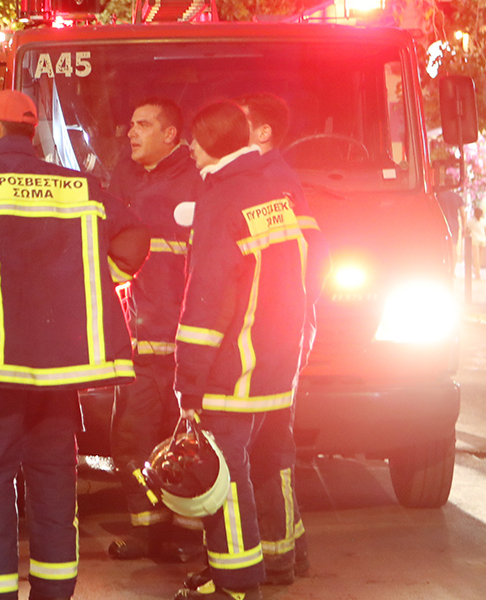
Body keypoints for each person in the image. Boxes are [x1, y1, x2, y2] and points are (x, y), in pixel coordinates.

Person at [0, 90, 150, 600]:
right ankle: (54, 591)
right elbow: (133, 242)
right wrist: (81, 283)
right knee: (54, 481)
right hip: (61, 370)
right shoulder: (80, 185)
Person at [173, 101, 325, 600]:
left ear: (210, 143)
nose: (189, 149)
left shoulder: (221, 198)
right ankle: (283, 555)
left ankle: (237, 582)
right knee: (274, 458)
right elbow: (314, 258)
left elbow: (208, 300)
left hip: (232, 370)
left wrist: (188, 382)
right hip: (279, 364)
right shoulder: (279, 185)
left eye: (193, 140)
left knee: (225, 475)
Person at [232, 93, 328, 586]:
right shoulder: (271, 178)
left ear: (263, 132)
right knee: (271, 445)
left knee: (266, 448)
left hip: (265, 339)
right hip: (274, 335)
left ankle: (277, 555)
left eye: (241, 121)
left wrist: (286, 323)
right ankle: (289, 551)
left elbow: (305, 261)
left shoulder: (269, 182)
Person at [106, 97, 200, 563]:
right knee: (132, 440)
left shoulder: (197, 181)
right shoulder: (124, 178)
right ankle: (147, 531)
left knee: (186, 448)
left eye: (144, 124)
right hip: (139, 347)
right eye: (130, 124)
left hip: (186, 351)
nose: (131, 132)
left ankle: (189, 534)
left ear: (170, 134)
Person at [466, 206, 486, 279]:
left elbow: (467, 230)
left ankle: (477, 272)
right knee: (480, 257)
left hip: (474, 240)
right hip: (482, 240)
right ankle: (477, 270)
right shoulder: (483, 221)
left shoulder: (471, 221)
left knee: (476, 257)